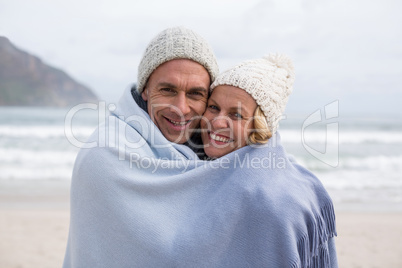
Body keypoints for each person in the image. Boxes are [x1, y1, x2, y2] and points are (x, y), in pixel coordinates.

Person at [199, 53, 338, 266]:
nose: (217, 122)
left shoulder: (272, 200)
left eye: (236, 115)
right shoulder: (197, 167)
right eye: (214, 107)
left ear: (259, 126)